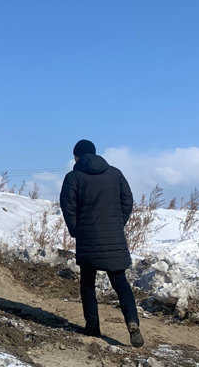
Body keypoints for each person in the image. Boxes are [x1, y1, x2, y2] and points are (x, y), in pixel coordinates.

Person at [60, 139, 144, 348]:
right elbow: (127, 200)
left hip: (88, 237)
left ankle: (92, 326)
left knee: (88, 283)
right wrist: (118, 223)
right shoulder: (115, 173)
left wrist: (76, 230)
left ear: (76, 157)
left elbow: (67, 205)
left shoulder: (73, 177)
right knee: (120, 281)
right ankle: (132, 322)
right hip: (113, 236)